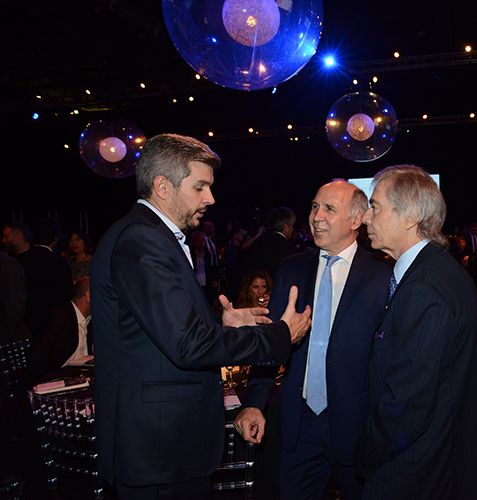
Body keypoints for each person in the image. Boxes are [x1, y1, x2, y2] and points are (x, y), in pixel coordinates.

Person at [91, 133, 312, 500]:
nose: (210, 198)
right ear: (162, 186)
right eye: (200, 187)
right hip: (160, 448)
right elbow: (187, 345)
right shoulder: (142, 241)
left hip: (165, 446)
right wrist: (280, 335)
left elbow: (159, 332)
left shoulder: (150, 236)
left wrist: (221, 325)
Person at [236, 179, 391, 499]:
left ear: (356, 220)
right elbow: (272, 343)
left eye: (329, 209)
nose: (317, 216)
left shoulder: (381, 277)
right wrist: (254, 403)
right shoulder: (292, 268)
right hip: (301, 423)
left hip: (359, 426)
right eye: (314, 206)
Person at [354, 165, 477, 499]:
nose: (366, 218)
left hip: (415, 471)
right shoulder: (437, 270)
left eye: (375, 207)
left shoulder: (425, 286)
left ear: (410, 216)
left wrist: (364, 455)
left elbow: (408, 403)